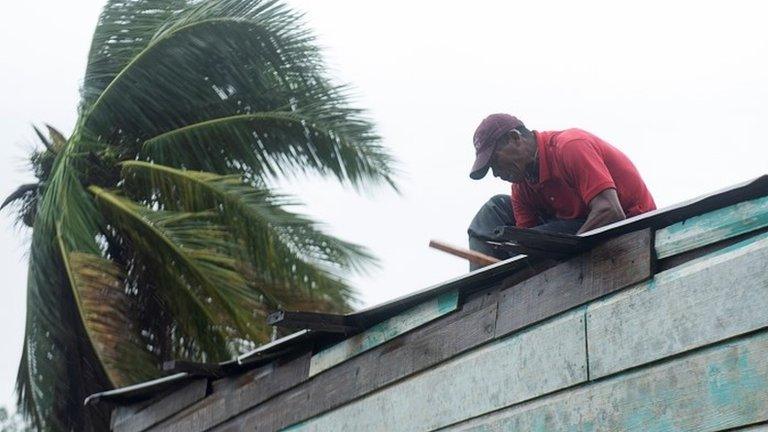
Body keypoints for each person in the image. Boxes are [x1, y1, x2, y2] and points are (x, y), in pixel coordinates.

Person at [467, 113, 656, 270]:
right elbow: (525, 242)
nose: (496, 173)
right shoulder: (520, 187)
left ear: (515, 138)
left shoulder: (570, 146)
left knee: (539, 240)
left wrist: (563, 255)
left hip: (631, 227)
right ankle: (489, 291)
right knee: (493, 213)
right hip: (577, 229)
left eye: (495, 162)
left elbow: (612, 212)